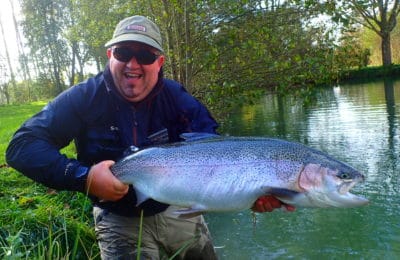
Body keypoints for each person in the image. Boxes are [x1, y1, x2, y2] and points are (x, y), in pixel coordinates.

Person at [6, 15, 294, 259]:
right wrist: (85, 177)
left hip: (178, 211)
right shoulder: (83, 98)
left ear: (159, 62)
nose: (133, 64)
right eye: (123, 53)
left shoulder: (177, 98)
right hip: (117, 218)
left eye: (144, 55)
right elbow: (22, 146)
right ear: (110, 56)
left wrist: (250, 192)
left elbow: (217, 153)